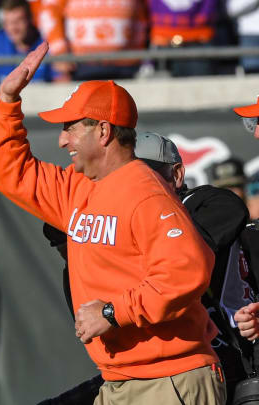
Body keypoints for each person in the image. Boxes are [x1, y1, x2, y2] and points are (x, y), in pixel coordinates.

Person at [0, 43, 224, 404]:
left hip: (170, 378)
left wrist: (114, 313)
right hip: (121, 381)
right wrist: (7, 100)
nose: (62, 138)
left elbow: (187, 273)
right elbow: (12, 173)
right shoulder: (78, 188)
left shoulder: (146, 193)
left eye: (70, 127)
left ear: (103, 131)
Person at [40, 132, 253, 404]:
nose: (135, 180)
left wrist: (149, 237)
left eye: (146, 171)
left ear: (176, 175)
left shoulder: (201, 202)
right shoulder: (109, 225)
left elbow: (227, 210)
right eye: (125, 172)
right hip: (134, 371)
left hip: (208, 361)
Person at [37, 0, 147, 81]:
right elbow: (49, 12)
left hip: (128, 65)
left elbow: (148, 10)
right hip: (83, 66)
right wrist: (59, 51)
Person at [0, 0, 53, 83]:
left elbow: (61, 82)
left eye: (19, 21)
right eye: (8, 23)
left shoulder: (47, 43)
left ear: (30, 19)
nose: (13, 28)